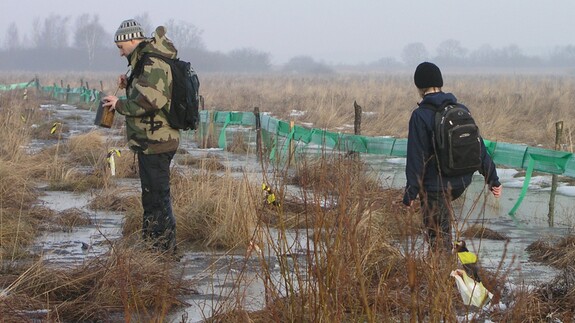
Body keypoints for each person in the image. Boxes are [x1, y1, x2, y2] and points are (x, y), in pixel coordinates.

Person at [402, 62, 502, 252]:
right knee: (444, 230)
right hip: (460, 182)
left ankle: (446, 276)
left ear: (418, 86)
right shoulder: (460, 109)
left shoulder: (420, 115)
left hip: (435, 187)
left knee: (438, 239)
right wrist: (493, 180)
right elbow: (477, 146)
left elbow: (416, 157)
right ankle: (456, 271)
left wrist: (410, 194)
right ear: (440, 83)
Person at [102, 19, 179, 254]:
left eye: (120, 46)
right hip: (150, 140)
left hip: (157, 141)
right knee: (152, 197)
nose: (119, 52)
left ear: (132, 40)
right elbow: (147, 91)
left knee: (157, 199)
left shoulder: (152, 62)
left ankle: (163, 253)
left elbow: (150, 101)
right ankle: (154, 247)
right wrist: (129, 84)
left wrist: (120, 104)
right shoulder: (142, 62)